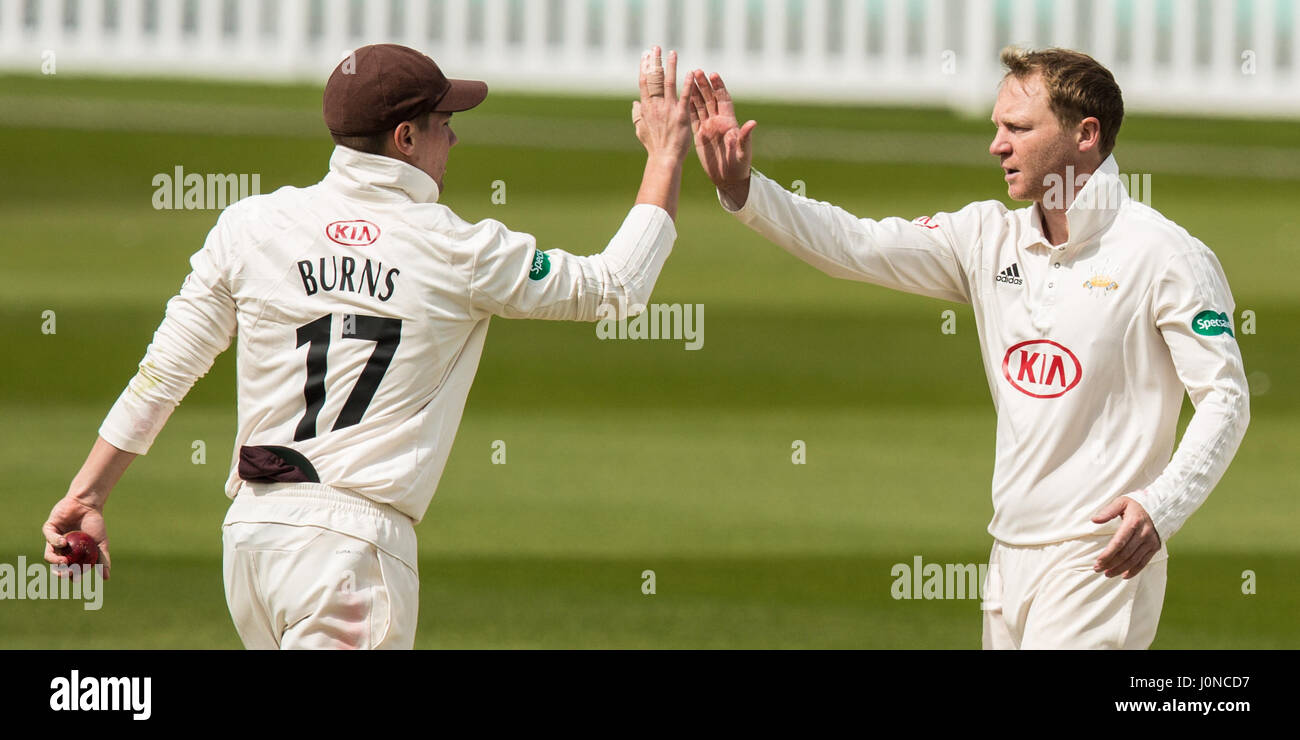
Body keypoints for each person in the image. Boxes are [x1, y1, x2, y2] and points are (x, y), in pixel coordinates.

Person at [42, 43, 693, 649]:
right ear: (405, 138)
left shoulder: (251, 225)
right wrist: (664, 156)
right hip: (351, 552)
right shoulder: (458, 249)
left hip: (252, 541)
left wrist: (89, 493)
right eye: (444, 121)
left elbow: (167, 367)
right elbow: (614, 287)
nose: (455, 134)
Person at [686, 47, 1249, 649]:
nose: (997, 145)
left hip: (1100, 555)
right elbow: (855, 244)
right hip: (1009, 552)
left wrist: (1160, 506)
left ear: (1086, 135)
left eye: (1019, 128)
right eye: (997, 127)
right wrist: (745, 188)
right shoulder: (986, 236)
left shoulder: (1165, 256)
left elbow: (1225, 399)